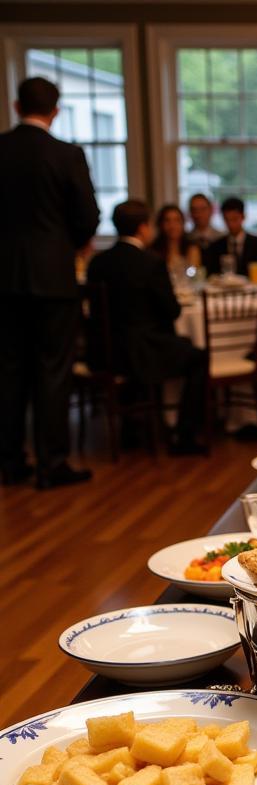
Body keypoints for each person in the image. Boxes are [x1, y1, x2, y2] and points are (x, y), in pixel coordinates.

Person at [0, 76, 99, 489]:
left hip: (3, 279)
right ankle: (51, 463)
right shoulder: (65, 154)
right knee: (52, 372)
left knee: (8, 371)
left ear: (17, 106)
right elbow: (87, 216)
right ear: (55, 111)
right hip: (53, 279)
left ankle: (10, 462)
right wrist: (65, 249)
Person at [87, 199, 208, 456]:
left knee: (172, 345)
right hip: (141, 353)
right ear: (143, 228)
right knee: (197, 357)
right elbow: (172, 311)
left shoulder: (98, 263)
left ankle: (132, 427)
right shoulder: (150, 263)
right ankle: (184, 434)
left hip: (103, 352)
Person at [203, 197, 257, 278]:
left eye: (234, 219)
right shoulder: (216, 246)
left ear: (243, 217)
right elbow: (211, 275)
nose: (231, 224)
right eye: (227, 220)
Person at [151, 204, 198, 280]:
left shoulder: (192, 248)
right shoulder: (153, 250)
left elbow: (194, 276)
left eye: (177, 220)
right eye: (167, 221)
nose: (172, 226)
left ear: (183, 223)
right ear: (161, 224)